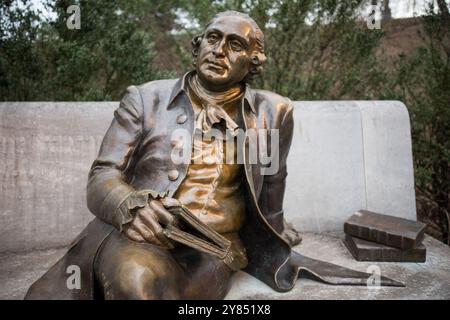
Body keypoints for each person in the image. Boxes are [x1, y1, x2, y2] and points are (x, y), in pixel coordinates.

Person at [25, 11, 400, 300]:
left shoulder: (273, 113)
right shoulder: (146, 99)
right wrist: (129, 205)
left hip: (215, 248)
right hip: (142, 234)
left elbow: (272, 178)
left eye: (235, 45)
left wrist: (277, 230)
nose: (219, 50)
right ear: (198, 45)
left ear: (252, 62)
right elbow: (103, 175)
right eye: (212, 38)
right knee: (135, 279)